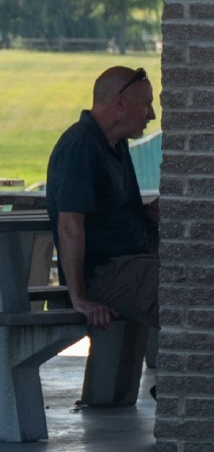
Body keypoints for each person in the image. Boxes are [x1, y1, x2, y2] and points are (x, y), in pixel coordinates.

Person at [45, 66, 159, 329]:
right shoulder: (80, 146)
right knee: (191, 289)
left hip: (132, 266)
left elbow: (108, 212)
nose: (152, 115)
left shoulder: (117, 144)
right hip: (104, 274)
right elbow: (69, 224)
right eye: (146, 105)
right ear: (119, 103)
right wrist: (79, 298)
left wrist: (147, 214)